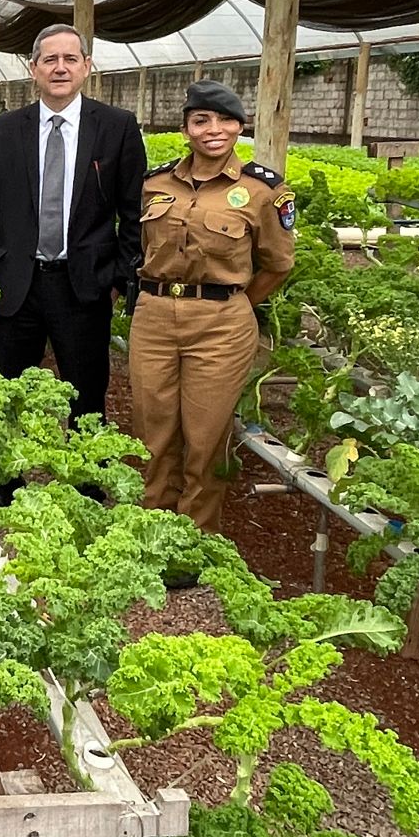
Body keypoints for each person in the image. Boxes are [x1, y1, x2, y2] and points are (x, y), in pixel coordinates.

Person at [130, 80, 295, 532]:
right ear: (186, 128)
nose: (213, 130)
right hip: (156, 317)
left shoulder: (263, 190)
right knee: (154, 431)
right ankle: (153, 526)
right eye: (201, 120)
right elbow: (136, 247)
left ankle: (192, 537)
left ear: (240, 127)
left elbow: (278, 264)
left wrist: (234, 302)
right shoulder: (154, 183)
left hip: (222, 324)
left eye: (225, 120)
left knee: (205, 437)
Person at [0, 22, 146, 432]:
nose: (59, 68)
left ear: (86, 66)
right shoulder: (7, 130)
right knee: (7, 390)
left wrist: (118, 276)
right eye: (50, 60)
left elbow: (132, 212)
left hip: (83, 285)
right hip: (16, 284)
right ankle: (5, 487)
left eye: (69, 59)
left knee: (86, 391)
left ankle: (87, 483)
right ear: (34, 69)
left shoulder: (116, 127)